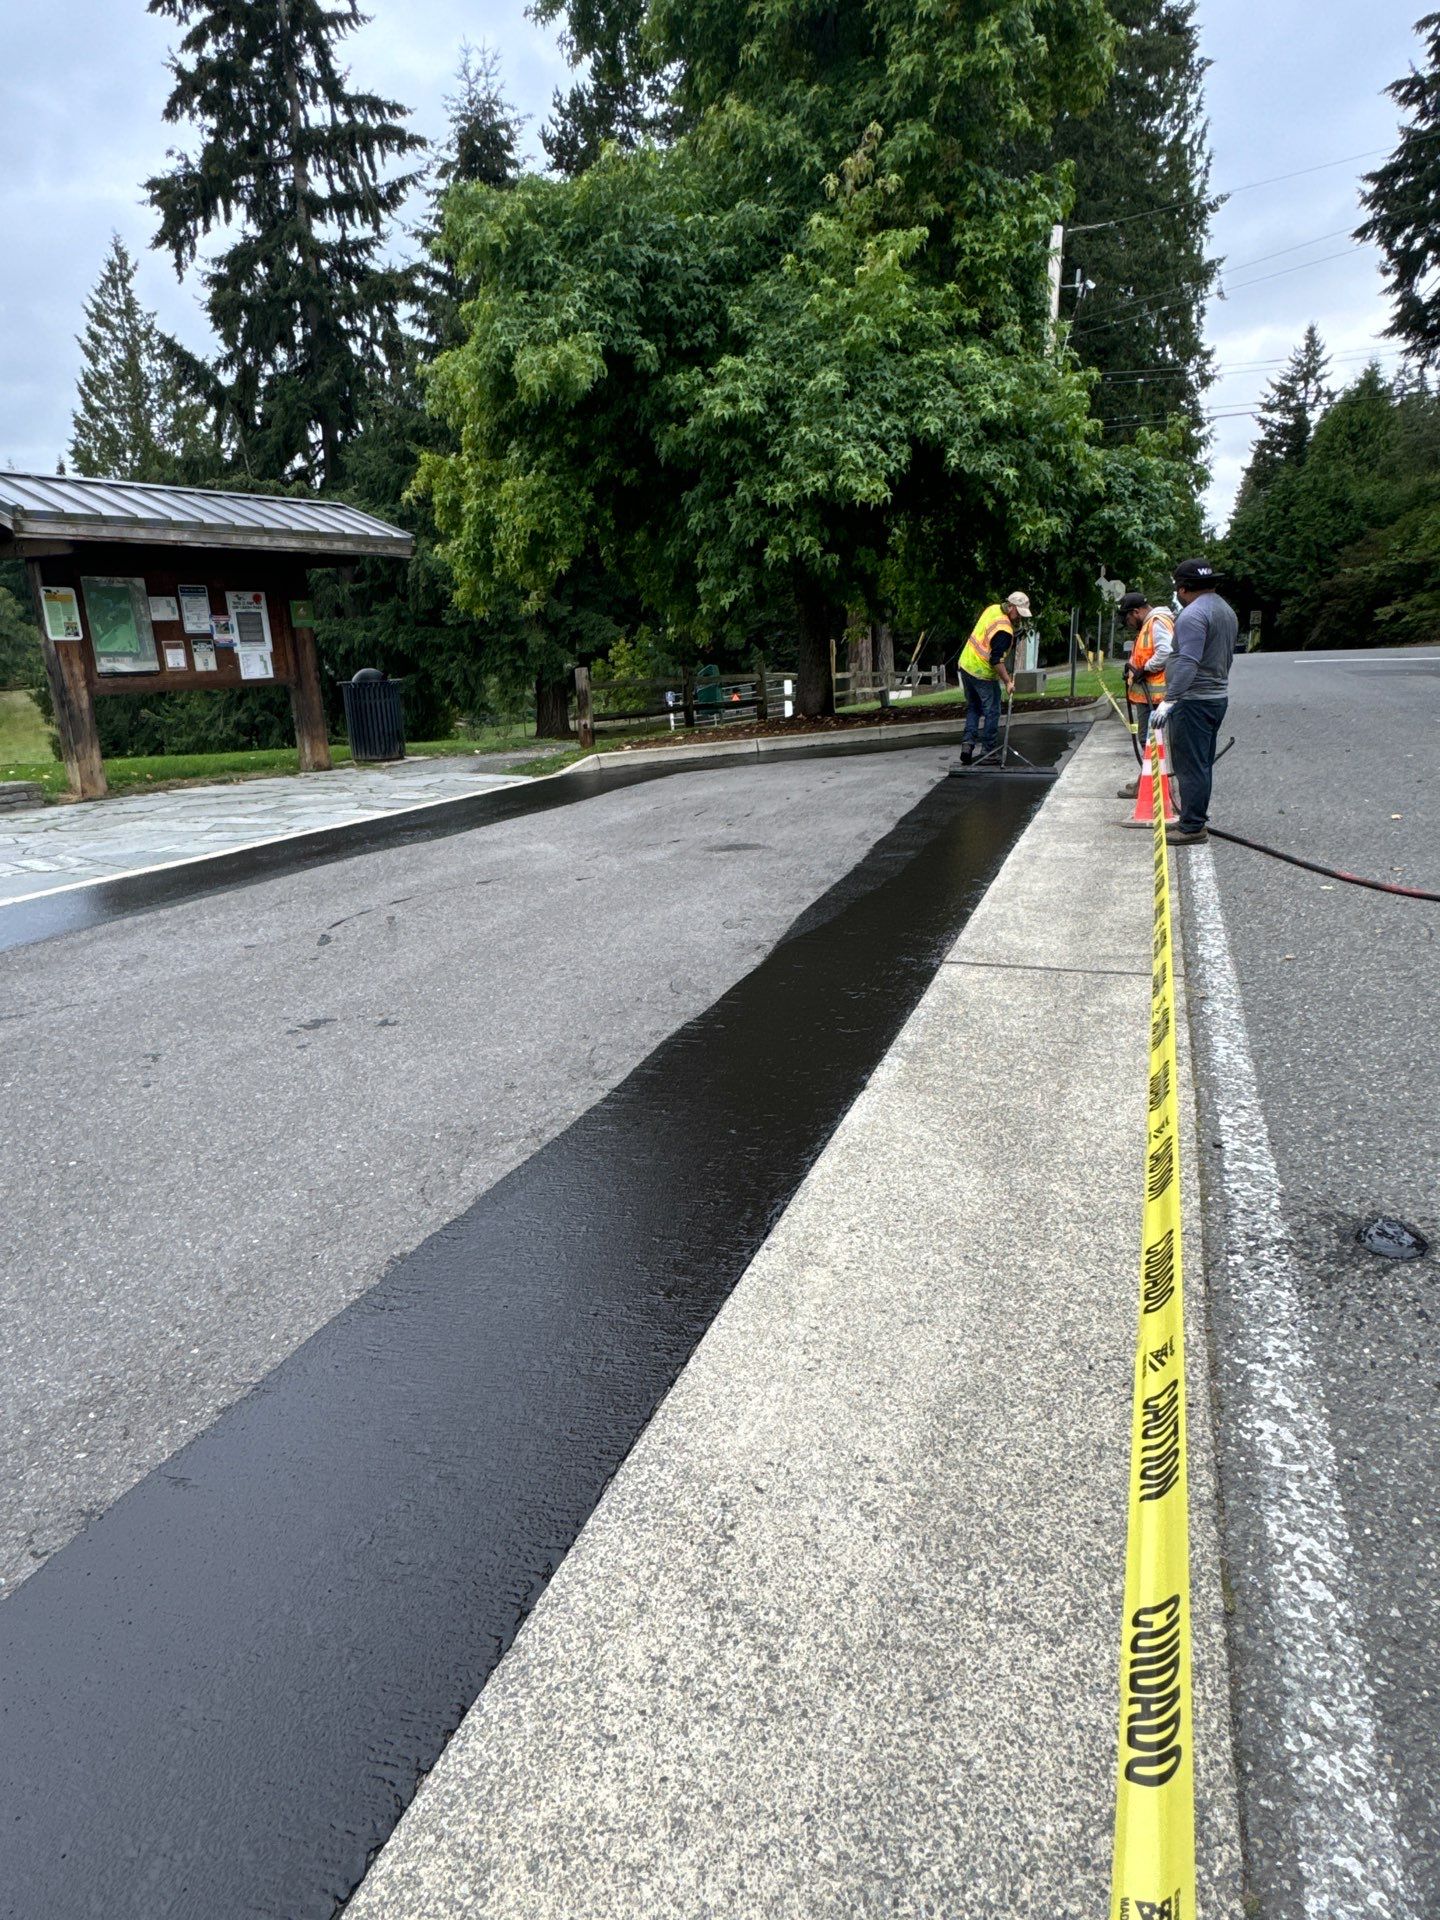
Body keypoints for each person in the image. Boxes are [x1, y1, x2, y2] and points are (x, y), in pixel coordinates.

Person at [1149, 558, 1238, 844]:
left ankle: (1192, 826)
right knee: (1201, 763)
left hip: (1193, 701)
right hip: (1215, 697)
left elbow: (1188, 661)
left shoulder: (1192, 615)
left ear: (1183, 588)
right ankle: (1194, 817)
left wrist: (1169, 700)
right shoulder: (1226, 611)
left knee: (1190, 765)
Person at [958, 591, 1030, 764]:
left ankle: (967, 745)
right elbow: (996, 660)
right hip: (982, 672)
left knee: (974, 707)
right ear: (1011, 607)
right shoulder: (1004, 630)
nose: (1020, 617)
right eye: (1018, 613)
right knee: (992, 710)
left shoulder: (993, 609)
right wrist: (1007, 682)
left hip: (966, 665)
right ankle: (989, 752)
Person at [1116, 590, 1174, 799]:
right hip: (1148, 694)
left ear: (1136, 612)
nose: (1128, 623)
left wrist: (1145, 668)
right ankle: (1145, 782)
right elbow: (1145, 652)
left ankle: (1154, 786)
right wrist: (1132, 667)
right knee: (1149, 740)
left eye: (1128, 619)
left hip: (1156, 696)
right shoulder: (1150, 624)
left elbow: (1166, 652)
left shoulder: (1156, 622)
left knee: (1149, 740)